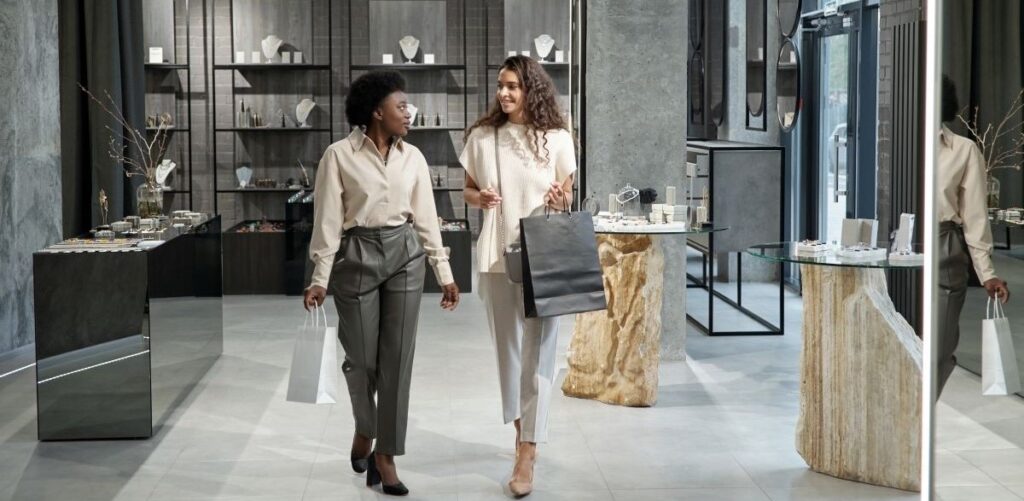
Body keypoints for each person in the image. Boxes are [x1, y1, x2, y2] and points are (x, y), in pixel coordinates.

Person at [303, 70, 460, 496]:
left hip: (405, 256)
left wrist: (443, 273)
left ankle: (385, 454)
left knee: (397, 362)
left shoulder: (414, 158)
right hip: (354, 258)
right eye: (401, 106)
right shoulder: (338, 156)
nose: (408, 112)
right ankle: (363, 427)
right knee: (363, 361)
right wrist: (319, 278)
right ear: (377, 111)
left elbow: (426, 219)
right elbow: (328, 223)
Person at [460, 55, 576, 497]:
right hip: (496, 253)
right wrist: (481, 197)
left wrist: (559, 199)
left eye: (513, 86)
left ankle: (527, 449)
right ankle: (520, 431)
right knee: (508, 355)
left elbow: (566, 199)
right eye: (500, 86)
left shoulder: (558, 139)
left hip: (545, 254)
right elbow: (467, 189)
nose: (504, 93)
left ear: (532, 89)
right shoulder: (483, 137)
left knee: (541, 354)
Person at [937, 74, 1011, 395]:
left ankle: (919, 419)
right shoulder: (895, 141)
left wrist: (987, 273)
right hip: (899, 245)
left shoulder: (963, 150)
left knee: (939, 349)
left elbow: (975, 217)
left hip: (945, 249)